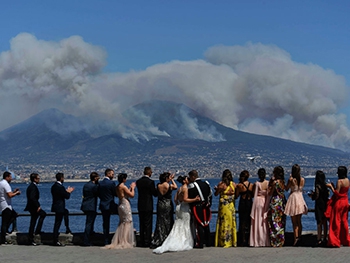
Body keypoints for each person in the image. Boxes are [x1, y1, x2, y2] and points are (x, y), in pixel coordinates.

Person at [153, 175, 200, 254]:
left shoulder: (180, 188)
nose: (188, 180)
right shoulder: (185, 188)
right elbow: (185, 199)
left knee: (178, 224)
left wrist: (179, 204)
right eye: (187, 179)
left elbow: (175, 199)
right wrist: (195, 199)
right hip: (184, 208)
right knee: (185, 225)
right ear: (184, 181)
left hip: (178, 207)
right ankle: (185, 240)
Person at [103, 173, 136, 249]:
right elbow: (132, 195)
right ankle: (125, 240)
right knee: (128, 221)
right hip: (125, 204)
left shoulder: (117, 187)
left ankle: (121, 239)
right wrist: (133, 188)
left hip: (120, 204)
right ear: (124, 179)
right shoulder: (123, 187)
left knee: (122, 221)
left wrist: (130, 189)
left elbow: (124, 194)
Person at [325, 166, 350, 247]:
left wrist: (331, 187)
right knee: (344, 221)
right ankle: (346, 239)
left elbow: (337, 193)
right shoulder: (347, 180)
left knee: (336, 221)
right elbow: (343, 191)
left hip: (339, 202)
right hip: (346, 201)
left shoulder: (339, 181)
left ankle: (335, 240)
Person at [150, 172, 177, 248]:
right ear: (166, 178)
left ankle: (159, 237)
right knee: (168, 220)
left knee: (160, 221)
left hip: (160, 204)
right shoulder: (168, 185)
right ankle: (167, 237)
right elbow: (175, 187)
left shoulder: (158, 185)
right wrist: (172, 180)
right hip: (168, 204)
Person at [188, 169, 212, 248]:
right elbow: (210, 194)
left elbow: (190, 196)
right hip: (206, 206)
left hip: (197, 207)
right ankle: (208, 241)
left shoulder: (192, 186)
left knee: (199, 224)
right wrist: (209, 203)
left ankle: (200, 242)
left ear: (193, 176)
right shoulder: (206, 183)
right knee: (206, 223)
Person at [284, 164, 308, 246]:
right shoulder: (302, 179)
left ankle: (295, 239)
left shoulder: (291, 179)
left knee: (294, 222)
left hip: (293, 198)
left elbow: (286, 188)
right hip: (300, 198)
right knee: (299, 221)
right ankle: (300, 237)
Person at [214, 169, 237, 248]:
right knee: (231, 223)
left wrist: (217, 189)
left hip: (224, 207)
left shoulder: (222, 184)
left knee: (224, 222)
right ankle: (232, 241)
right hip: (231, 206)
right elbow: (236, 195)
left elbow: (216, 194)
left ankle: (224, 241)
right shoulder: (233, 184)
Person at [51, 172, 74, 246]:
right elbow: (66, 196)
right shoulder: (60, 187)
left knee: (65, 213)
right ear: (61, 178)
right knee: (57, 223)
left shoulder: (54, 186)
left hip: (55, 206)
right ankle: (55, 240)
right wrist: (69, 192)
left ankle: (67, 228)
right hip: (60, 206)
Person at [136, 166, 157, 247]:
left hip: (140, 204)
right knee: (148, 223)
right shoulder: (150, 182)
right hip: (148, 204)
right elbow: (154, 193)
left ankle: (141, 240)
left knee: (141, 223)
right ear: (149, 173)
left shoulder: (138, 182)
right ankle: (147, 241)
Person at [249, 168, 270, 247]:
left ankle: (256, 240)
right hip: (264, 202)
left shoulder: (256, 184)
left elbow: (254, 193)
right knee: (264, 222)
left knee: (256, 221)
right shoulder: (268, 183)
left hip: (257, 202)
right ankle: (264, 240)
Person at [24, 172, 47, 246]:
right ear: (34, 179)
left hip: (32, 206)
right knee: (37, 219)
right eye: (38, 178)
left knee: (33, 221)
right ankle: (35, 234)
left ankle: (34, 234)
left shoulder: (31, 186)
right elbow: (32, 197)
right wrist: (38, 206)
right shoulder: (33, 187)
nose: (39, 179)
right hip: (33, 207)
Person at [308, 170, 329, 246]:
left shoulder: (317, 186)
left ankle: (319, 239)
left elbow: (316, 196)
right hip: (325, 204)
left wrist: (311, 196)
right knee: (325, 222)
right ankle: (325, 238)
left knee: (319, 222)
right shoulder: (325, 186)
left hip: (319, 205)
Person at [267, 166, 286, 247]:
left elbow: (270, 193)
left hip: (275, 202)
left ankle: (275, 241)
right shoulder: (283, 182)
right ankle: (281, 239)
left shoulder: (275, 183)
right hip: (281, 202)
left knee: (273, 221)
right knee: (280, 221)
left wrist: (270, 184)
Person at [0, 171, 20, 245]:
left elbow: (7, 194)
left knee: (14, 215)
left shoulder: (1, 183)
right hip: (6, 205)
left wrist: (13, 191)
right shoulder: (6, 184)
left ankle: (5, 232)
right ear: (7, 177)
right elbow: (10, 195)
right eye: (10, 177)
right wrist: (16, 193)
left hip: (3, 204)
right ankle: (3, 238)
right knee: (5, 223)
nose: (11, 178)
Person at [98, 168, 117, 245]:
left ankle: (106, 239)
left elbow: (98, 193)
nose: (113, 176)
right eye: (112, 174)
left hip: (103, 205)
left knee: (105, 223)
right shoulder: (111, 183)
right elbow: (115, 193)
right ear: (108, 174)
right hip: (111, 204)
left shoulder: (100, 183)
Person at [80, 172, 100, 246]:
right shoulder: (94, 186)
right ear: (95, 178)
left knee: (88, 222)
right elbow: (98, 193)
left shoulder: (86, 185)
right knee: (89, 223)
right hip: (91, 206)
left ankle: (89, 236)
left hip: (85, 205)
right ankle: (86, 240)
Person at [235, 170, 253, 246]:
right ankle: (249, 239)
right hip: (249, 203)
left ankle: (243, 239)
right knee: (249, 221)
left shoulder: (239, 185)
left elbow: (236, 196)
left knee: (242, 221)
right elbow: (253, 195)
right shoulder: (251, 185)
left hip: (242, 203)